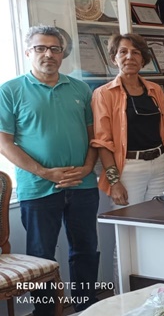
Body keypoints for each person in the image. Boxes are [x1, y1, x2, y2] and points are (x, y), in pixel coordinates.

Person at [0, 25, 100, 313]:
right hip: (38, 188)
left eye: (55, 49)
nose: (48, 54)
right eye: (41, 48)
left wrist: (87, 168)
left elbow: (94, 136)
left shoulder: (80, 88)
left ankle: (86, 307)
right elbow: (5, 144)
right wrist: (45, 172)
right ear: (28, 52)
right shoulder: (10, 91)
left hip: (82, 186)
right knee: (41, 257)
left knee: (85, 251)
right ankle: (44, 313)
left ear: (63, 54)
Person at [92, 33, 164, 207]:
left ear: (143, 60)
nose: (130, 57)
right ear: (114, 59)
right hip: (129, 169)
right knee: (129, 224)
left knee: (159, 219)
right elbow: (103, 142)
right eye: (123, 52)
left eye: (136, 52)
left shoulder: (155, 90)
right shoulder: (103, 94)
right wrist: (114, 182)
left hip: (160, 164)